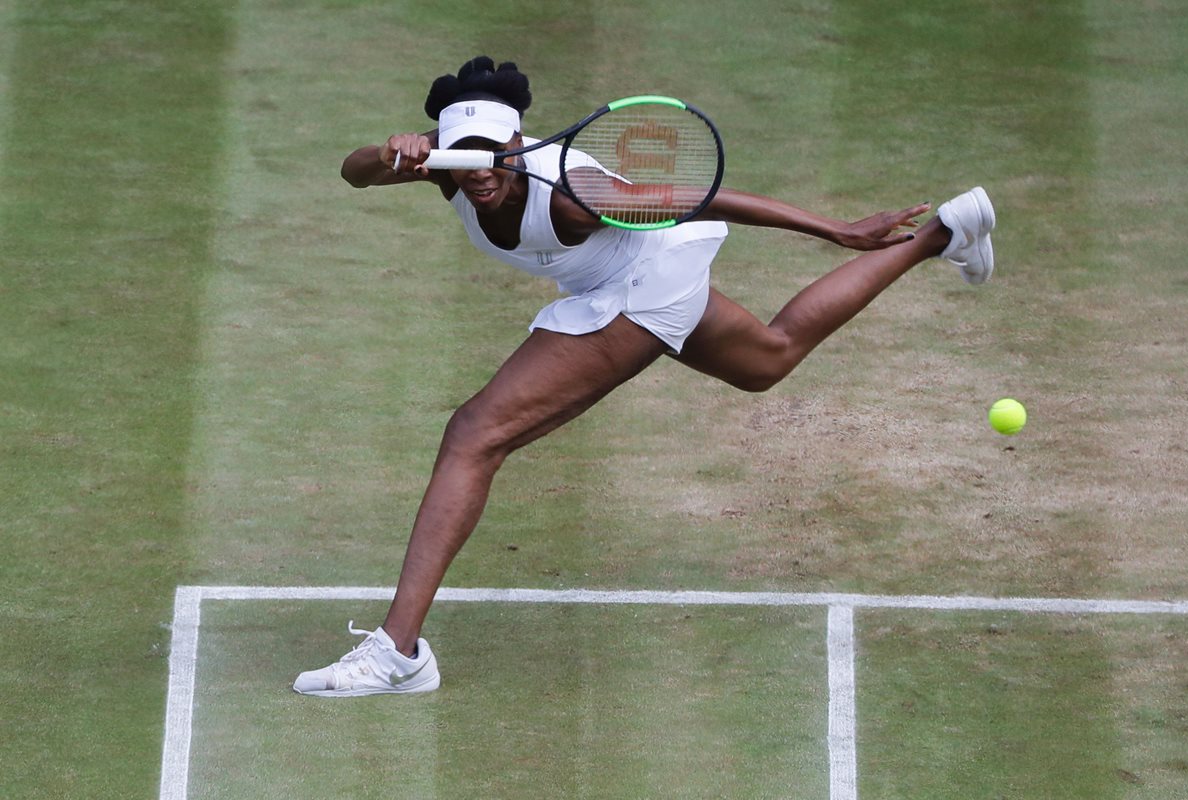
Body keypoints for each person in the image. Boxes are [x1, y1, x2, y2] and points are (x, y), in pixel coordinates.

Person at [293, 56, 995, 696]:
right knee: (769, 359)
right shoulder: (454, 177)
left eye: (492, 158)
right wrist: (390, 152)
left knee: (475, 435)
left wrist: (836, 229)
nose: (478, 173)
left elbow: (699, 196)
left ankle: (399, 652)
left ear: (517, 146)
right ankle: (946, 234)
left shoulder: (568, 190)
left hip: (647, 280)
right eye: (460, 159)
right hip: (620, 277)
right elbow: (356, 173)